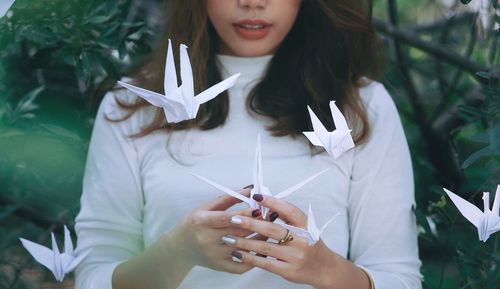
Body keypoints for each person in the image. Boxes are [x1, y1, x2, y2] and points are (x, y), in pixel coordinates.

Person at [74, 0, 422, 289]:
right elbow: (94, 274)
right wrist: (173, 255)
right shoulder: (133, 109)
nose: (252, 3)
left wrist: (327, 270)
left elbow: (399, 277)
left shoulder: (362, 107)